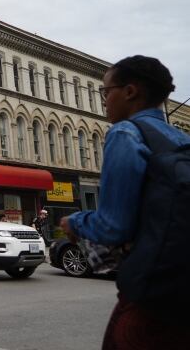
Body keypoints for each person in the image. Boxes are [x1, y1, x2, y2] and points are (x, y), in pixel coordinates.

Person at [61, 56, 190, 349]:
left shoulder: (125, 132)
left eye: (107, 92)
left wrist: (75, 222)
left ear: (130, 92)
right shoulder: (180, 140)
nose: (104, 100)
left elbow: (113, 226)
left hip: (152, 293)